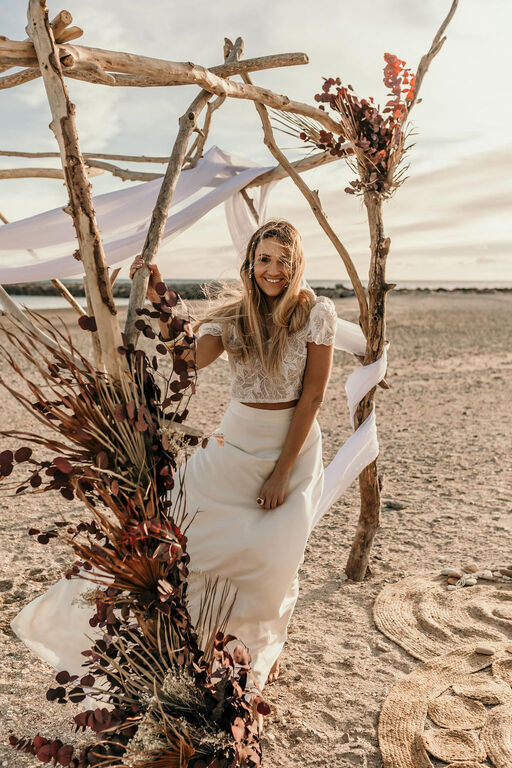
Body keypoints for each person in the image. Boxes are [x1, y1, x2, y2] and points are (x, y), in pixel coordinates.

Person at [129, 218, 337, 690]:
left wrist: (282, 472)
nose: (274, 270)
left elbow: (312, 398)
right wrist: (160, 295)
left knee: (271, 559)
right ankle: (197, 642)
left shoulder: (316, 312)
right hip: (234, 442)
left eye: (284, 261)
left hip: (291, 447)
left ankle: (263, 644)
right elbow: (189, 359)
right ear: (250, 263)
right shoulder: (231, 316)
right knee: (189, 533)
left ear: (297, 264)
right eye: (265, 259)